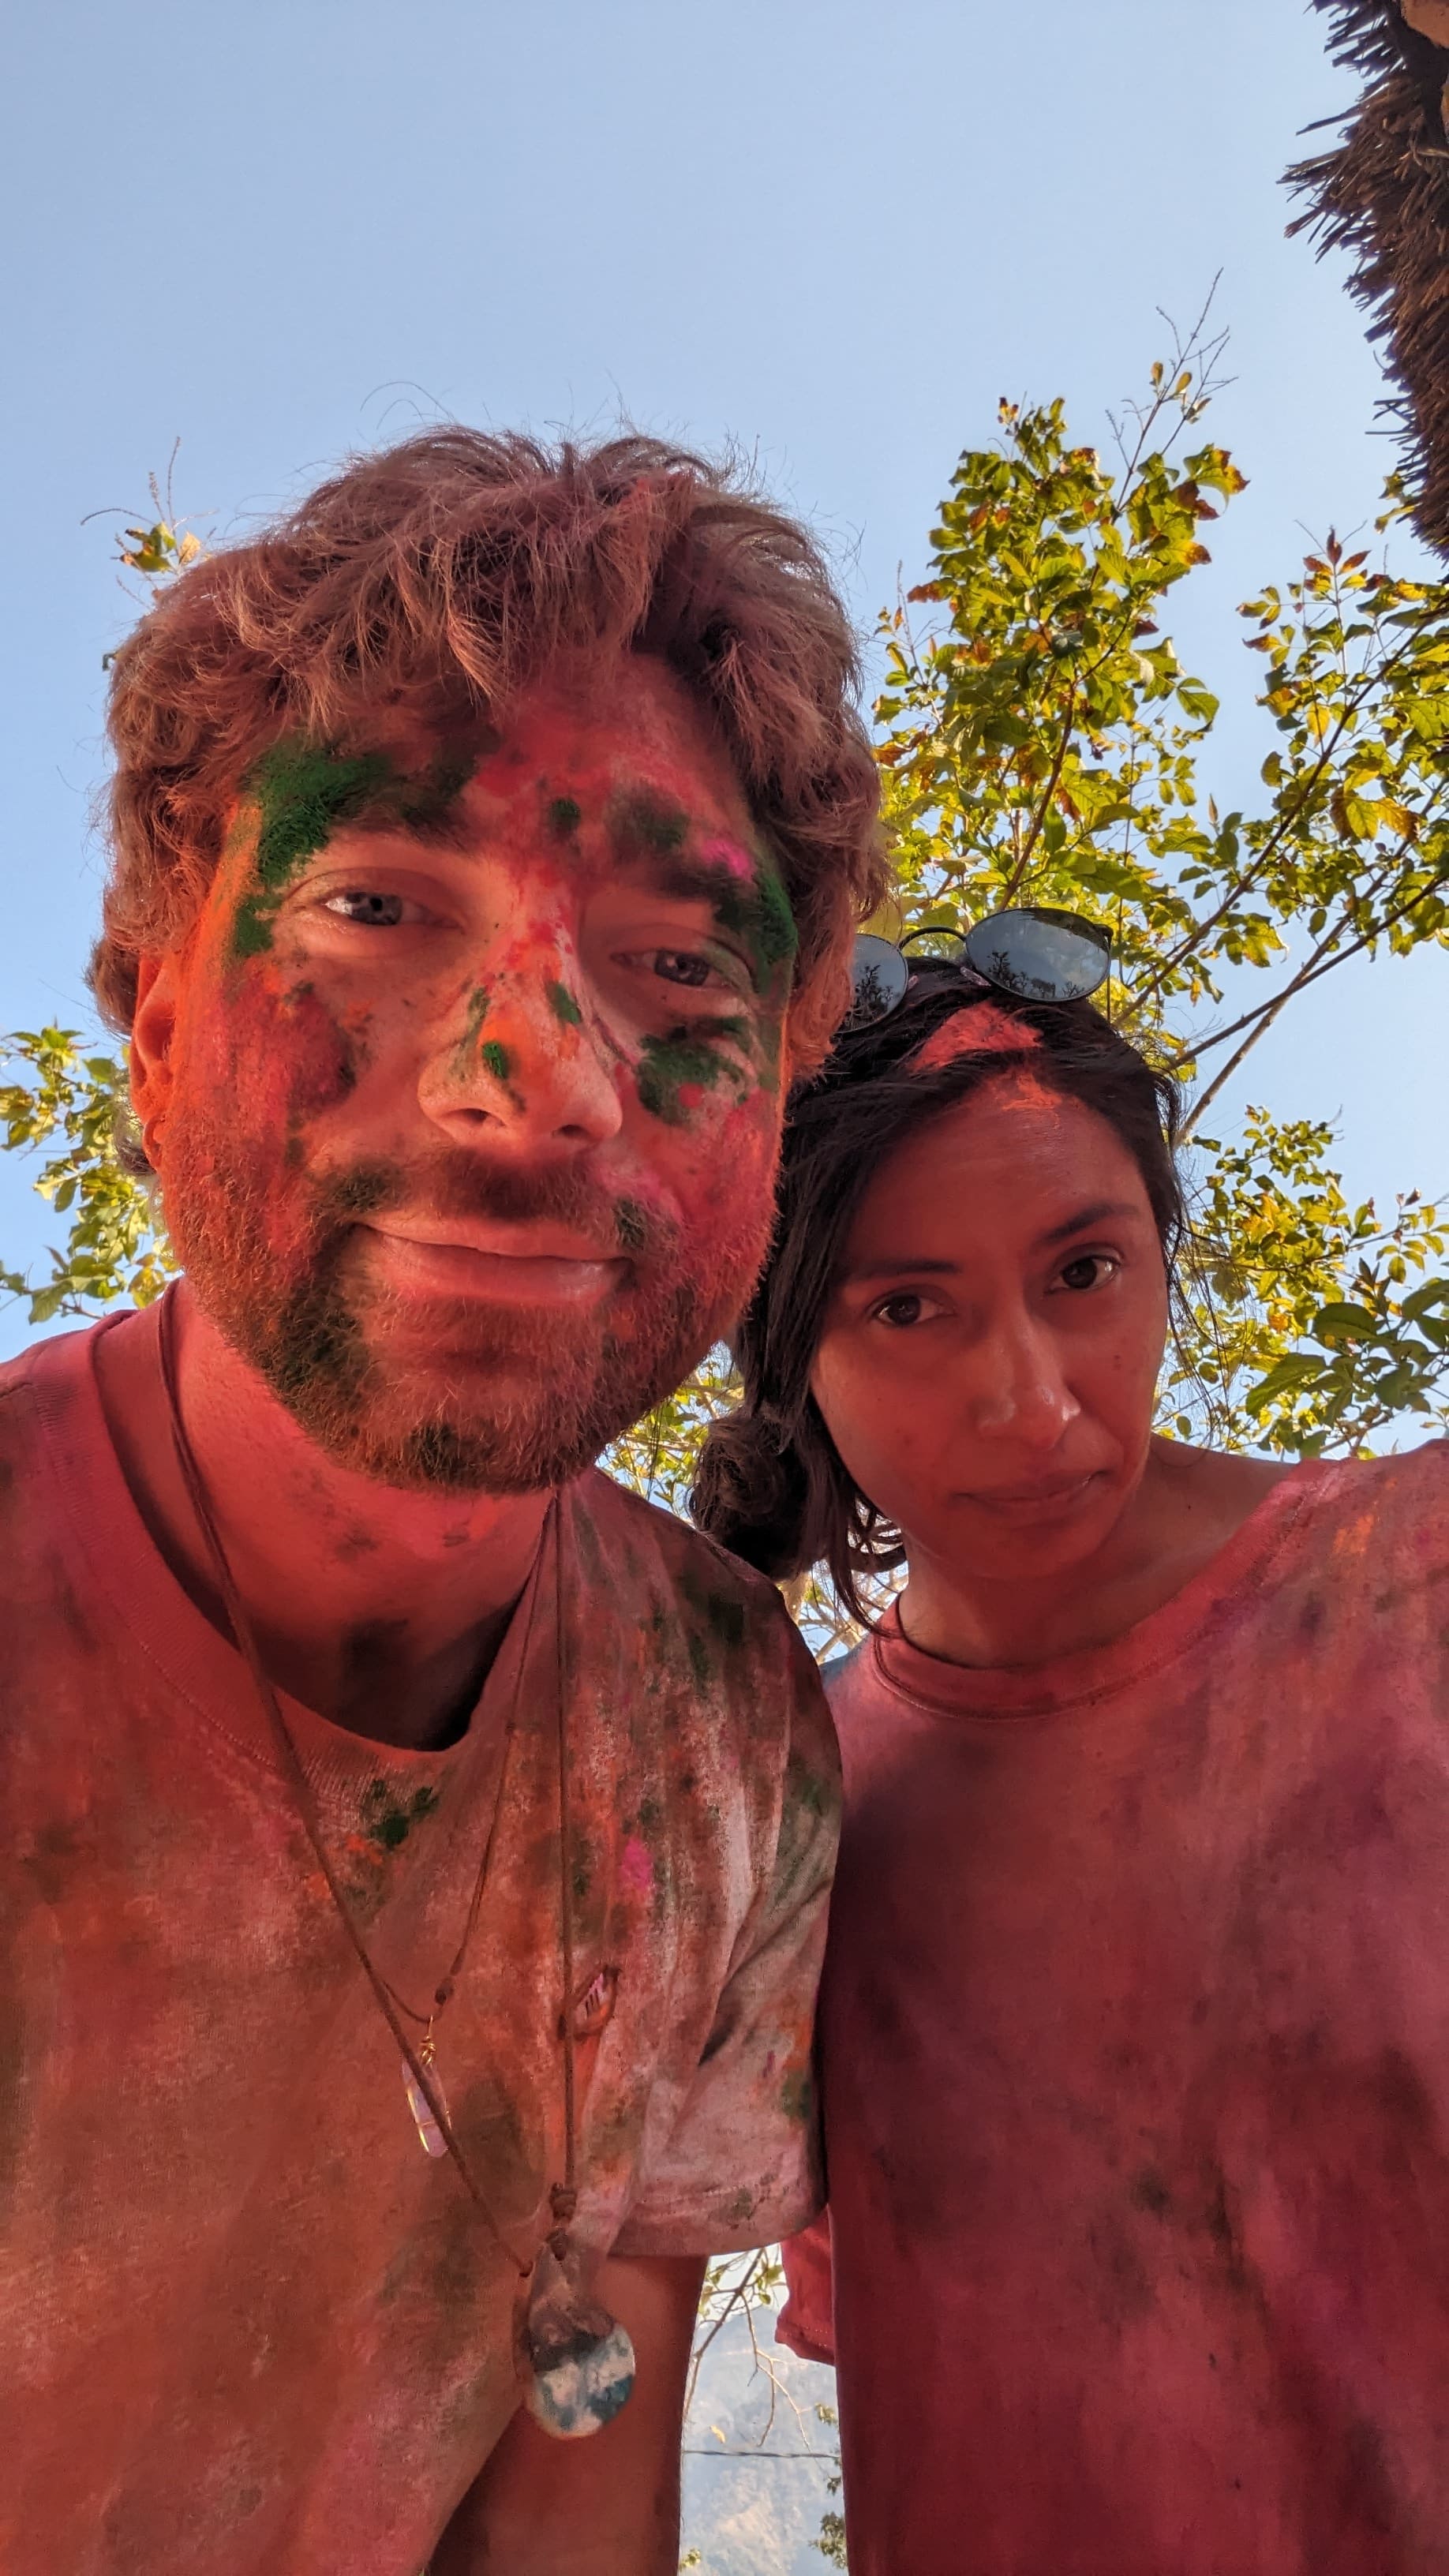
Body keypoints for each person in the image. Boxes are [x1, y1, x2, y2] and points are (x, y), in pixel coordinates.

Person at [0, 429, 886, 2574]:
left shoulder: (730, 1724)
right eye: (378, 911)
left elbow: (573, 2494)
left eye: (684, 974)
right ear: (146, 1016)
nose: (539, 1080)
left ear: (778, 1082)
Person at [692, 950, 1449, 2576]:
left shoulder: (1417, 1588)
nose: (1029, 1402)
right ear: (794, 1361)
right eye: (907, 1307)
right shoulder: (782, 1802)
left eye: (1085, 1273)